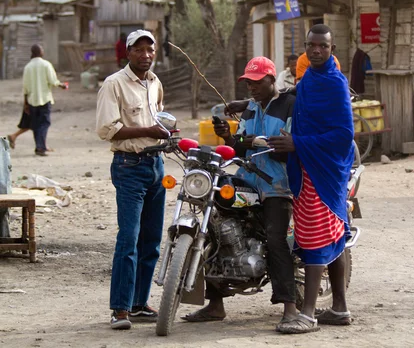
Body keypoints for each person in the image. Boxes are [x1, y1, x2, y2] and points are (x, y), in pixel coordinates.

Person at [181, 57, 298, 332]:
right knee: (215, 226)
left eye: (257, 82)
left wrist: (249, 142)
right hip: (248, 179)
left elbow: (284, 147)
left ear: (272, 80)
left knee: (275, 239)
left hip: (278, 185)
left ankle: (290, 307)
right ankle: (215, 303)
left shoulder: (289, 106)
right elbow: (241, 148)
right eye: (248, 83)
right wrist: (227, 138)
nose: (252, 88)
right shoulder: (250, 110)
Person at [269, 24, 354, 334]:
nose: (316, 51)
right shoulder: (308, 81)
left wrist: (297, 143)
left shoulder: (334, 83)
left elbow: (345, 134)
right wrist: (254, 102)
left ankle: (307, 314)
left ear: (332, 50)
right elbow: (292, 96)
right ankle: (340, 308)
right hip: (307, 167)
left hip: (325, 170)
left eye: (323, 46)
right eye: (311, 46)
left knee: (316, 237)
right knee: (333, 237)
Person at [96, 30, 170, 330]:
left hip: (157, 165)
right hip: (129, 166)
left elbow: (159, 117)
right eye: (138, 50)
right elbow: (107, 129)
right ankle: (120, 309)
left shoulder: (155, 83)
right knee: (128, 239)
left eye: (149, 50)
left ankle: (140, 304)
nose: (145, 55)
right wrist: (147, 131)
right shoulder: (114, 84)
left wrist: (163, 131)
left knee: (151, 240)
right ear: (128, 53)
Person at [22, 44, 67, 156]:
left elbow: (25, 88)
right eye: (42, 49)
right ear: (39, 52)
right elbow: (53, 81)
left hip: (32, 100)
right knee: (44, 123)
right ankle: (41, 148)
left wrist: (25, 103)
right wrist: (62, 85)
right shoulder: (46, 64)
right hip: (45, 99)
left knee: (36, 124)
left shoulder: (28, 67)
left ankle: (39, 147)